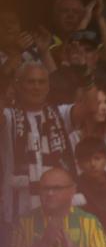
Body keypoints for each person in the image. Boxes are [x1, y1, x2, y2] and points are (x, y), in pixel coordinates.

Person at [1, 63, 77, 226]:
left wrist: (85, 76)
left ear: (48, 86)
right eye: (30, 82)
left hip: (58, 213)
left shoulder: (60, 114)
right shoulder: (8, 117)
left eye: (41, 82)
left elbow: (90, 107)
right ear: (18, 85)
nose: (36, 87)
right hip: (18, 210)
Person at [9, 166, 106, 247]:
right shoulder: (23, 223)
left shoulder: (90, 222)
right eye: (45, 188)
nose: (50, 193)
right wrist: (45, 242)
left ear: (73, 190)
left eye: (57, 188)